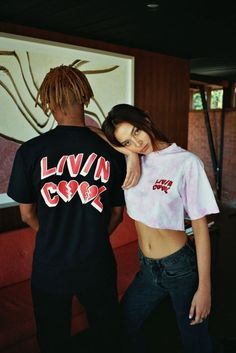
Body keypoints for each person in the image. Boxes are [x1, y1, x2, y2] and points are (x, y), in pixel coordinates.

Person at [7, 66, 139, 353]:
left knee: (53, 340)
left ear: (49, 103)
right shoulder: (110, 152)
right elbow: (117, 214)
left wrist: (54, 234)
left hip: (50, 267)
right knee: (107, 335)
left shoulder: (29, 152)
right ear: (85, 98)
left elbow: (27, 214)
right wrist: (92, 237)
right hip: (97, 263)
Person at [102, 103, 220, 353]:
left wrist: (205, 288)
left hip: (180, 268)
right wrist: (131, 154)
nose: (136, 142)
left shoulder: (186, 163)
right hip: (147, 268)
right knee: (126, 323)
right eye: (126, 141)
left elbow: (200, 229)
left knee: (194, 340)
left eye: (136, 131)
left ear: (146, 119)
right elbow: (92, 131)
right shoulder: (133, 159)